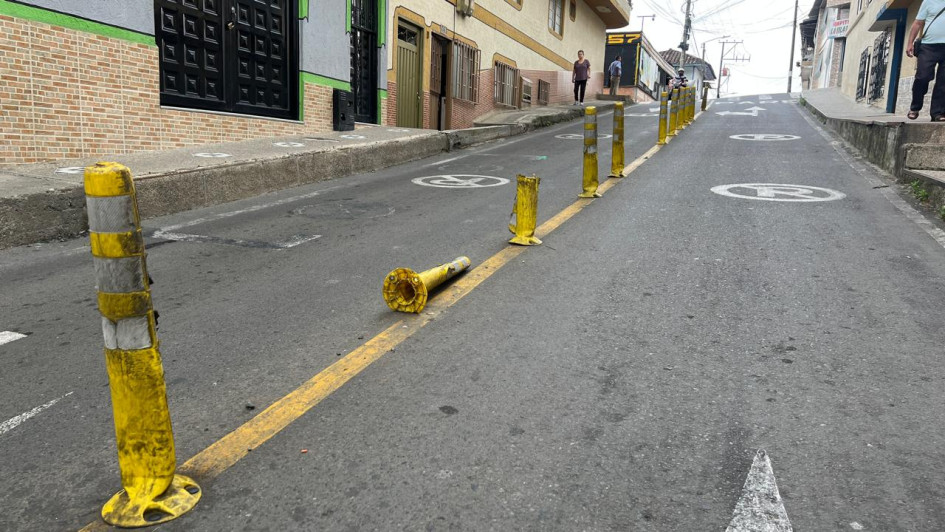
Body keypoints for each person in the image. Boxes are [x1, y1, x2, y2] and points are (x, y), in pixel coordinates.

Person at [906, 0, 945, 121]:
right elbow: (917, 23)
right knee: (922, 77)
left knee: (943, 82)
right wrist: (910, 43)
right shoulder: (928, 2)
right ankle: (915, 107)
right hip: (928, 46)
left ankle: (937, 113)